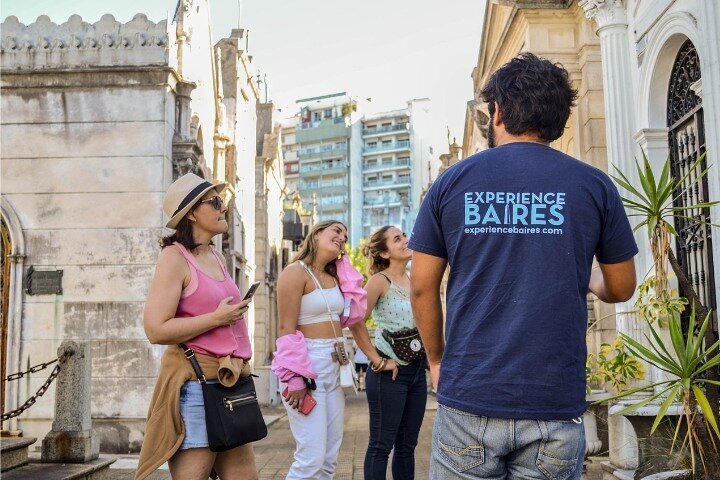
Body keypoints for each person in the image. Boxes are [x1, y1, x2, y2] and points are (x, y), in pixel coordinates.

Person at [409, 52, 638, 480]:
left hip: (470, 395)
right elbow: (622, 287)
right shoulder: (593, 185)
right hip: (553, 403)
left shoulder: (451, 183)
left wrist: (437, 361)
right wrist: (584, 275)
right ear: (559, 118)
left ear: (496, 111)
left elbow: (422, 287)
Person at [136, 172, 257, 480]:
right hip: (197, 386)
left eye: (223, 201)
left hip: (230, 383)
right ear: (191, 212)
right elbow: (155, 329)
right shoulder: (174, 257)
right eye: (215, 202)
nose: (223, 208)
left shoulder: (216, 255)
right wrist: (217, 318)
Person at [270, 220, 390, 479]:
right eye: (336, 231)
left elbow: (355, 315)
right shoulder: (295, 272)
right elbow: (285, 329)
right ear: (316, 234)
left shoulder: (335, 277)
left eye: (345, 236)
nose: (342, 238)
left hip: (335, 366)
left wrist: (345, 267)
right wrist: (294, 377)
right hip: (306, 366)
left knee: (328, 460)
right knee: (310, 459)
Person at [361, 225, 427, 480]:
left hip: (416, 373)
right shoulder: (379, 281)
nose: (405, 241)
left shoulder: (413, 280)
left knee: (407, 448)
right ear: (385, 253)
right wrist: (377, 361)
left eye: (404, 236)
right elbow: (356, 321)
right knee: (380, 446)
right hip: (388, 375)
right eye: (397, 239)